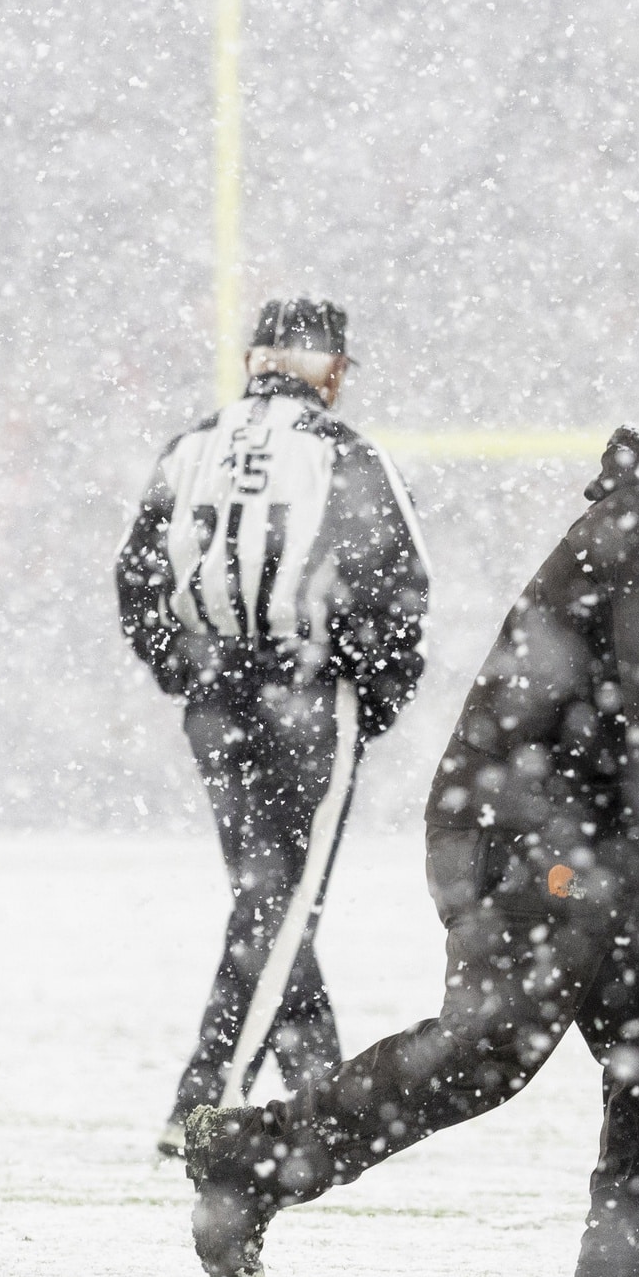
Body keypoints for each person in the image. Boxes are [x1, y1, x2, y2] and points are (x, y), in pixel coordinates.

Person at [182, 321, 639, 1277]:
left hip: (607, 827)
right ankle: (250, 1165)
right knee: (493, 1049)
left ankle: (630, 1273)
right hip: (524, 815)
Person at [117, 297, 430, 1158]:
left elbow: (136, 574)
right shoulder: (340, 452)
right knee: (281, 906)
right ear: (330, 370)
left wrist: (184, 667)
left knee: (267, 898)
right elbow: (399, 581)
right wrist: (370, 695)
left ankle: (319, 1087)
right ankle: (206, 1104)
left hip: (215, 694)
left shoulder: (191, 447)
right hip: (303, 688)